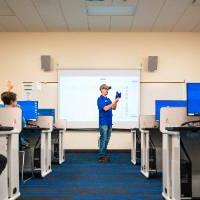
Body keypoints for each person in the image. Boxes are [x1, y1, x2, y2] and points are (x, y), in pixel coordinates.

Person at [97, 84, 119, 163]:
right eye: (105, 89)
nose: (107, 90)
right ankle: (101, 156)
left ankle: (104, 154)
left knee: (107, 139)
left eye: (108, 89)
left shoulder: (108, 99)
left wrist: (116, 101)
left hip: (109, 122)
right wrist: (114, 102)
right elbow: (105, 108)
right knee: (103, 138)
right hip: (103, 122)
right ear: (101, 90)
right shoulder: (100, 99)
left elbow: (114, 108)